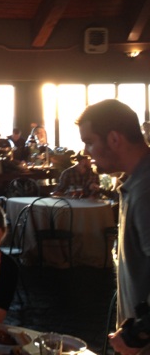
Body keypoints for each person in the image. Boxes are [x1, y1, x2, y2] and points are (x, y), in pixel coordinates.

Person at [76, 99, 150, 355]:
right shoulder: (135, 182)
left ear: (114, 139)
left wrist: (136, 335)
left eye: (89, 142)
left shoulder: (146, 191)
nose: (86, 151)